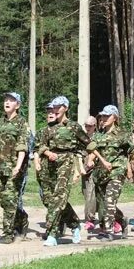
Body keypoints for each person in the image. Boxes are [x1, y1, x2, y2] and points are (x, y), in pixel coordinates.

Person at [87, 105, 134, 240]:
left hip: (117, 171)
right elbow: (93, 151)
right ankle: (122, 220)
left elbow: (132, 152)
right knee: (106, 204)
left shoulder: (122, 134)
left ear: (114, 118)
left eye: (107, 116)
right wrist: (90, 160)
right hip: (101, 174)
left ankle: (108, 231)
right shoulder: (98, 135)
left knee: (110, 200)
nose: (104, 118)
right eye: (102, 116)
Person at [38, 95, 89, 247]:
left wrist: (83, 159)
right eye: (53, 107)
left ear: (65, 108)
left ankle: (52, 233)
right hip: (49, 165)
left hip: (66, 162)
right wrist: (47, 153)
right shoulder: (48, 128)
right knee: (48, 199)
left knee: (59, 197)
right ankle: (74, 224)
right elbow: (39, 145)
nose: (55, 110)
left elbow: (88, 144)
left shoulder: (73, 127)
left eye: (58, 107)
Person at [0, 92, 30, 244]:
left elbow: (22, 146)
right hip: (1, 167)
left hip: (15, 167)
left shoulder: (22, 123)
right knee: (4, 200)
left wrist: (18, 166)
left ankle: (8, 234)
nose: (7, 102)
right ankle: (22, 220)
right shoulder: (0, 122)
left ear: (17, 105)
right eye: (5, 100)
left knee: (10, 199)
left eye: (11, 100)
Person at [82, 116, 99, 230]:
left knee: (90, 193)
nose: (87, 128)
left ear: (95, 126)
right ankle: (96, 211)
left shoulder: (97, 137)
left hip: (95, 168)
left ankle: (90, 219)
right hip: (84, 168)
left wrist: (91, 160)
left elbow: (98, 151)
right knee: (85, 192)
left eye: (90, 126)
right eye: (86, 125)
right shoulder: (83, 137)